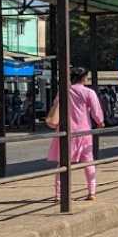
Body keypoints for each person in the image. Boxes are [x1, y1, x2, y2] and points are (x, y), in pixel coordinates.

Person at [47, 67, 104, 201]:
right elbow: (96, 112)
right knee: (88, 163)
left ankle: (59, 194)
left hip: (66, 131)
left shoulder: (63, 92)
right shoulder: (89, 92)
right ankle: (91, 192)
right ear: (84, 78)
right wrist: (100, 122)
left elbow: (56, 108)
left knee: (63, 164)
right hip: (84, 132)